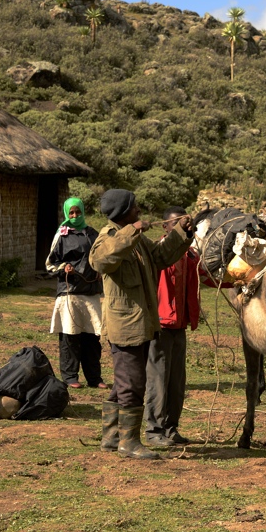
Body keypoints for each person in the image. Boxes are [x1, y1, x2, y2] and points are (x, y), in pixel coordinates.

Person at [89, 189, 193, 460]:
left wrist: (181, 233)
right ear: (124, 212)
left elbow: (160, 256)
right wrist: (132, 231)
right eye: (134, 207)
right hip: (125, 327)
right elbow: (101, 261)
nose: (139, 211)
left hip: (140, 324)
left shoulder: (137, 241)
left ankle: (112, 437)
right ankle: (130, 442)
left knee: (124, 382)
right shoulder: (109, 238)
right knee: (132, 384)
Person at [144, 206, 200, 447]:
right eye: (178, 223)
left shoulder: (190, 256)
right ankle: (154, 430)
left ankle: (171, 427)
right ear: (166, 227)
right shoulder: (157, 254)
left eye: (186, 223)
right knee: (158, 379)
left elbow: (206, 277)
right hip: (160, 325)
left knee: (177, 381)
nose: (184, 227)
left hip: (180, 326)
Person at [45, 197, 105, 389]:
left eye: (77, 212)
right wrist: (64, 268)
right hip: (70, 293)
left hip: (91, 292)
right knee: (70, 337)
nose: (74, 216)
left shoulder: (92, 234)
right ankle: (70, 377)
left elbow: (102, 257)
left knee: (93, 338)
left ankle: (94, 378)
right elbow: (49, 265)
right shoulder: (61, 235)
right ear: (66, 213)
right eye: (71, 213)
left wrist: (99, 272)